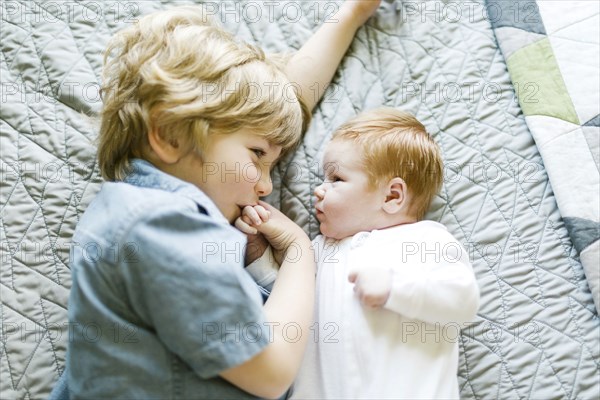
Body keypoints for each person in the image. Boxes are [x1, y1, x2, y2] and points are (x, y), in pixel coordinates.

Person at [65, 2, 382, 399]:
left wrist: (352, 14)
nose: (266, 186)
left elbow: (285, 102)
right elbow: (272, 371)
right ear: (169, 136)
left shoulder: (151, 216)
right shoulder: (155, 223)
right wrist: (301, 254)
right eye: (258, 155)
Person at [238, 108, 481, 399]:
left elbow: (463, 300)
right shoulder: (319, 250)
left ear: (392, 196)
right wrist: (255, 249)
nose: (318, 190)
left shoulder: (425, 240)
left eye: (336, 179)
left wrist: (396, 287)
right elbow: (285, 296)